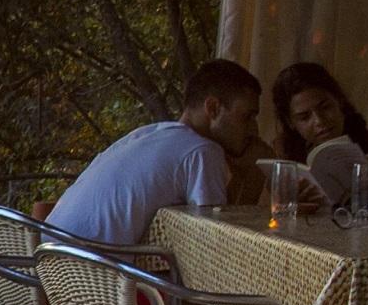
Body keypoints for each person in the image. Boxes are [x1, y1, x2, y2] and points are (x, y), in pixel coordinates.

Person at [45, 57, 264, 247]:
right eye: (247, 117)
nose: (254, 130)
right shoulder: (202, 151)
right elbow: (214, 244)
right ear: (213, 108)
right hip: (94, 279)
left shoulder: (148, 134)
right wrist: (252, 173)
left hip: (46, 266)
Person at [268, 61, 368, 190]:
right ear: (291, 123)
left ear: (339, 102)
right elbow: (262, 211)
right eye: (304, 117)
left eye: (325, 107)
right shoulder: (288, 153)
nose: (319, 121)